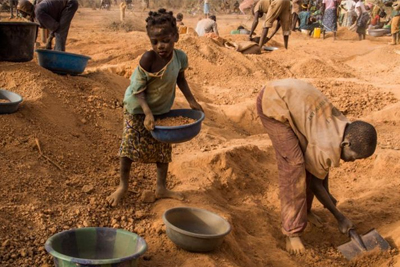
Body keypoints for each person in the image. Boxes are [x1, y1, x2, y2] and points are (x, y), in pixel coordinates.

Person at [256, 78, 377, 254]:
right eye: (354, 157)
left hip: (292, 97)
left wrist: (329, 198)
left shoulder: (343, 128)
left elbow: (320, 172)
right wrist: (339, 217)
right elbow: (315, 184)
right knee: (294, 165)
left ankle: (305, 211)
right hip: (273, 103)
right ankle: (292, 233)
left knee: (308, 165)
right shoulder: (326, 144)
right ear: (346, 145)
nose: (352, 161)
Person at [107, 9, 203, 207]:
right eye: (155, 41)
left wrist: (192, 101)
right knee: (129, 148)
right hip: (137, 108)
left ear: (176, 36)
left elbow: (181, 79)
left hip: (161, 109)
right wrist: (147, 112)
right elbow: (138, 89)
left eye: (166, 40)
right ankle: (122, 186)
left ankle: (161, 187)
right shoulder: (148, 59)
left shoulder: (180, 58)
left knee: (162, 149)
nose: (160, 46)